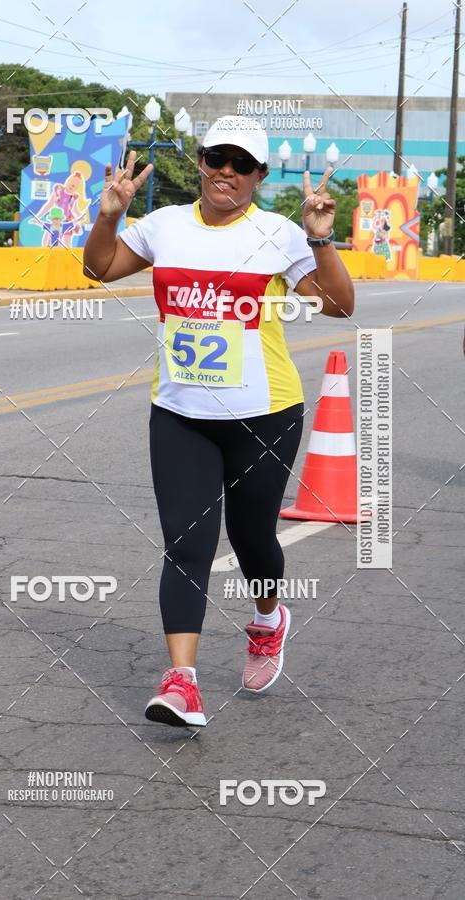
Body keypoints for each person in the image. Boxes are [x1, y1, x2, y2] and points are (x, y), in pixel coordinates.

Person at [83, 116, 354, 728]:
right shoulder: (165, 225)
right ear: (201, 162)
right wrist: (109, 216)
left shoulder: (279, 233)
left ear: (259, 175)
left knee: (252, 539)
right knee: (187, 543)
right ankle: (182, 682)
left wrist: (320, 240)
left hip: (265, 415)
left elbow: (338, 305)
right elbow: (99, 269)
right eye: (215, 158)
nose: (225, 172)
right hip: (181, 414)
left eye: (241, 163)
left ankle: (268, 618)